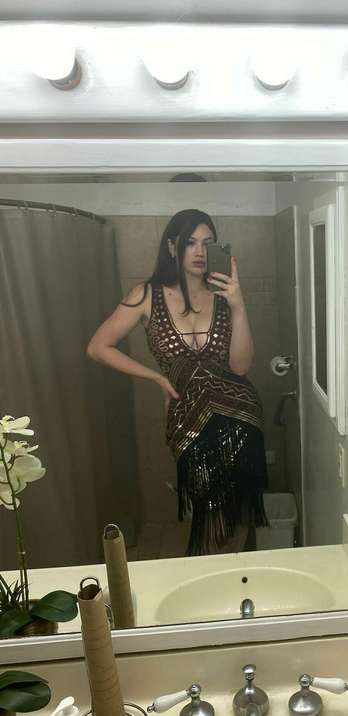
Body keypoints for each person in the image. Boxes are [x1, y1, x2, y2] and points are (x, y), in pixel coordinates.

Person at [86, 209, 269, 556]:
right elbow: (98, 347)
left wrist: (238, 305)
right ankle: (210, 577)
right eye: (190, 243)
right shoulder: (146, 295)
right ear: (172, 247)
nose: (200, 252)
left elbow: (241, 366)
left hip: (240, 418)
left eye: (207, 243)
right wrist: (156, 376)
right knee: (209, 513)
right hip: (189, 422)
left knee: (237, 516)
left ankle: (234, 579)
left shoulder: (224, 295)